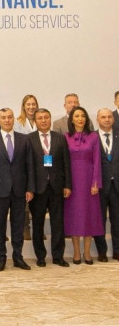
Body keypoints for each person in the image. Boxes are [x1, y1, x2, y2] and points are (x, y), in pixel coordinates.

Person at [0, 108, 35, 272]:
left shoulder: (24, 139)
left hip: (20, 190)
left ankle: (18, 257)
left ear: (14, 119)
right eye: (3, 117)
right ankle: (1, 258)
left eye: (10, 117)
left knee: (18, 225)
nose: (7, 120)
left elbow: (30, 166)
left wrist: (30, 188)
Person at [28, 108, 72, 267]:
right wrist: (29, 188)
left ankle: (58, 256)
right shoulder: (29, 139)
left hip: (57, 187)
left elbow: (66, 162)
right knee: (37, 223)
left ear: (50, 118)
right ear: (35, 121)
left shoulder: (60, 138)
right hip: (37, 188)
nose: (43, 120)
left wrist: (67, 185)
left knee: (58, 223)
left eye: (46, 117)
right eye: (40, 118)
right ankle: (40, 256)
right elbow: (27, 166)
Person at [64, 106, 103, 265]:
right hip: (72, 182)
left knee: (88, 216)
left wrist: (96, 182)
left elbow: (97, 161)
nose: (80, 118)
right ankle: (76, 252)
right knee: (74, 216)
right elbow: (63, 162)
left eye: (83, 116)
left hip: (88, 182)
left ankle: (87, 252)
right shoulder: (65, 137)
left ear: (86, 119)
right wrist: (65, 184)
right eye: (77, 116)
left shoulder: (93, 136)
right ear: (72, 119)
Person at [94, 108, 119, 262]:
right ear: (97, 119)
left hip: (117, 185)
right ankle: (101, 252)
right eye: (103, 117)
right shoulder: (92, 137)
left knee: (117, 220)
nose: (107, 119)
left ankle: (117, 251)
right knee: (99, 220)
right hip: (99, 186)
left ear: (113, 119)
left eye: (109, 116)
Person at [14, 94, 39, 241]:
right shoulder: (18, 123)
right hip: (23, 165)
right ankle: (25, 229)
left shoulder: (41, 120)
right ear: (23, 106)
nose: (31, 107)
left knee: (38, 200)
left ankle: (38, 230)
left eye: (33, 104)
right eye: (28, 104)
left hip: (39, 165)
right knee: (25, 201)